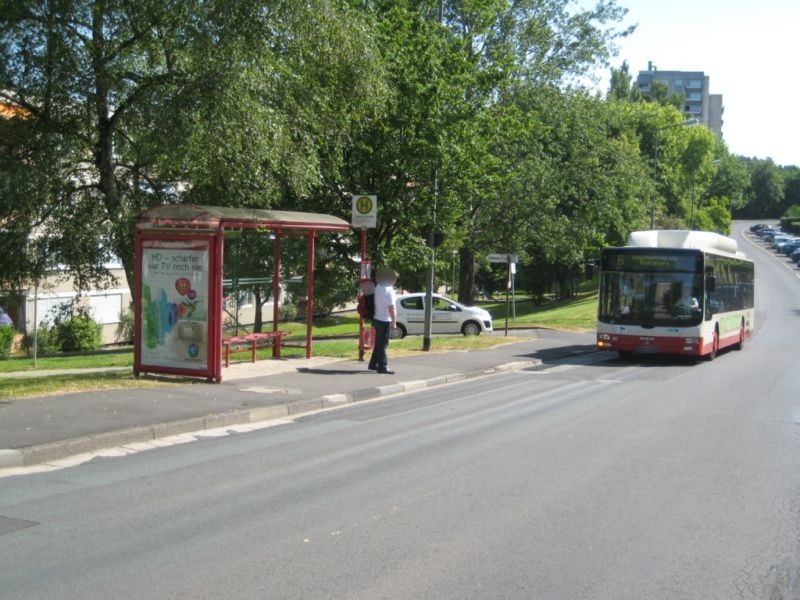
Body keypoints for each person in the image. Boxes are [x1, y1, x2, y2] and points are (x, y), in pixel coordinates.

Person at [368, 266, 398, 374]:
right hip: (385, 320)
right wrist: (394, 322)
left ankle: (373, 364)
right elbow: (391, 308)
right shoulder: (389, 290)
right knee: (383, 345)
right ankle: (383, 366)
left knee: (378, 344)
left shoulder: (378, 287)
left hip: (377, 318)